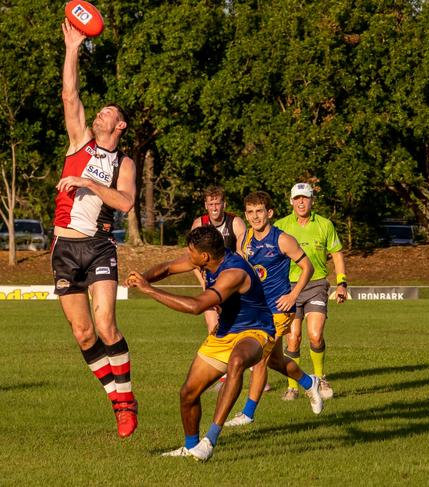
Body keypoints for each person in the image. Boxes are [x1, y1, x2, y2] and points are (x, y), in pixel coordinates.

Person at [126, 226, 322, 461]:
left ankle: (210, 440)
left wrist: (149, 290)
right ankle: (191, 447)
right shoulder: (204, 260)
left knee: (238, 361)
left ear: (205, 256)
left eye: (191, 252)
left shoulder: (233, 273)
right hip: (224, 332)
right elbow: (167, 267)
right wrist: (143, 277)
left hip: (255, 330)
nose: (188, 257)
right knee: (188, 393)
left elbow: (197, 306)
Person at [51, 19, 138, 438]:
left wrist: (88, 182)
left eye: (110, 113)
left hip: (100, 247)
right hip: (64, 249)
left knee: (106, 327)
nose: (101, 112)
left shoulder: (124, 163)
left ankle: (126, 399)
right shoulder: (79, 142)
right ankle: (115, 398)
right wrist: (72, 47)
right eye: (100, 110)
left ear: (119, 127)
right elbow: (70, 94)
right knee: (84, 334)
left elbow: (125, 202)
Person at [225, 191, 317, 426]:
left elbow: (307, 267)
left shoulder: (282, 239)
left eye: (259, 211)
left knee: (260, 360)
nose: (255, 216)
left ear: (270, 213)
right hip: (256, 309)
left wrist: (293, 295)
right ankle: (310, 383)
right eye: (250, 212)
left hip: (279, 309)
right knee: (276, 361)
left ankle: (247, 413)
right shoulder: (243, 240)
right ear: (246, 215)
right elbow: (239, 272)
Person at [275, 183, 347, 400]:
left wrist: (342, 283)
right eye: (297, 198)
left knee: (315, 336)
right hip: (288, 288)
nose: (301, 202)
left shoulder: (325, 225)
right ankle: (293, 387)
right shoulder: (281, 225)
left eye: (305, 198)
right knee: (293, 339)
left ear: (312, 200)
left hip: (316, 285)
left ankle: (319, 377)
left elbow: (337, 254)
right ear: (291, 201)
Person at [190, 185, 246, 332]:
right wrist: (203, 282)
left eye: (217, 203)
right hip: (210, 282)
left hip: (232, 282)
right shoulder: (199, 224)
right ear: (205, 205)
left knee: (236, 328)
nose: (214, 208)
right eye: (211, 204)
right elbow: (192, 258)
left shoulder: (236, 222)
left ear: (224, 204)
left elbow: (243, 254)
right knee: (214, 327)